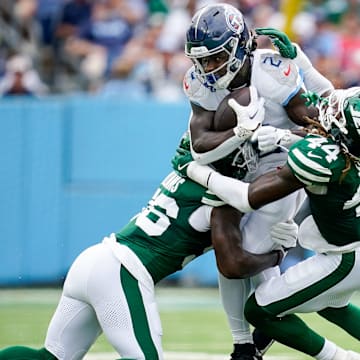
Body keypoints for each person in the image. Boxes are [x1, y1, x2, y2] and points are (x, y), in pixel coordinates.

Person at [0, 138, 296, 360]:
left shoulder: (185, 176)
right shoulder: (222, 198)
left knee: (51, 356)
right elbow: (233, 264)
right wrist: (278, 253)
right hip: (122, 272)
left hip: (95, 260)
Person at [182, 3, 334, 359]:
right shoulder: (200, 84)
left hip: (283, 167)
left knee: (242, 253)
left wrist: (282, 136)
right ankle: (245, 340)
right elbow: (201, 144)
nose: (206, 68)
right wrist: (241, 133)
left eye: (214, 58)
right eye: (200, 60)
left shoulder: (270, 71)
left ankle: (262, 329)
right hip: (236, 166)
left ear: (238, 47)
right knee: (227, 253)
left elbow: (319, 127)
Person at [172, 87, 360, 360]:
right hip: (350, 246)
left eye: (336, 113)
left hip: (344, 259)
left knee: (259, 310)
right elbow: (329, 147)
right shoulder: (345, 154)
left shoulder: (321, 160)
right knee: (331, 304)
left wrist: (195, 170)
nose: (329, 112)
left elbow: (249, 198)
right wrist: (285, 136)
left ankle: (340, 357)